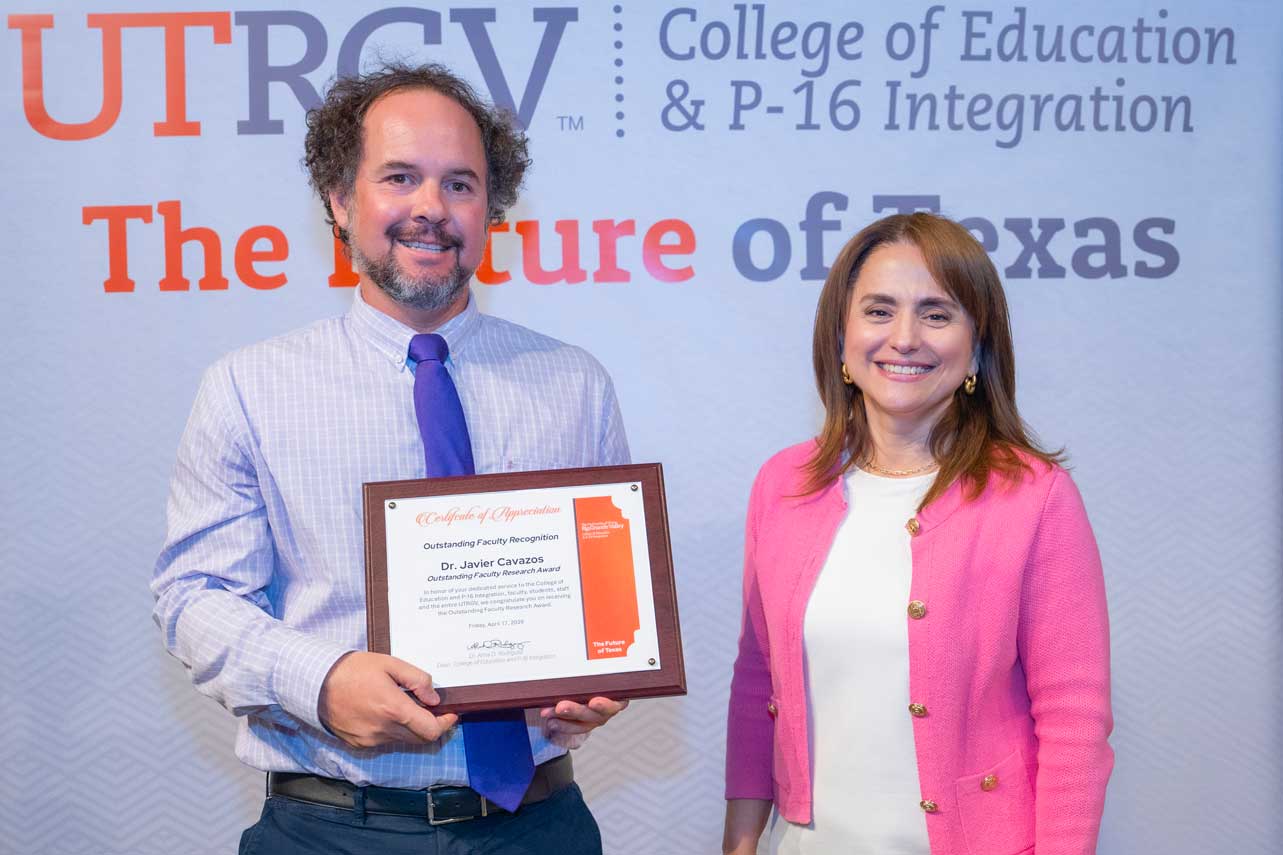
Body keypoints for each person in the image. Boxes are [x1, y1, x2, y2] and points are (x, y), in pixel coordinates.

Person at [152, 63, 628, 855]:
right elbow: (193, 596)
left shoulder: (573, 383)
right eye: (400, 177)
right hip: (328, 829)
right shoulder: (247, 387)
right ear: (340, 201)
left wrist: (600, 673)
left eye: (461, 184)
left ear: (492, 208)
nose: (430, 210)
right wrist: (322, 678)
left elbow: (611, 592)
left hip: (538, 829)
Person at [722, 213, 1113, 855]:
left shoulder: (1035, 498)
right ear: (841, 337)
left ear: (977, 347)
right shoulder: (782, 484)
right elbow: (757, 683)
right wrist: (738, 845)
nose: (903, 338)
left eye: (936, 314)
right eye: (879, 310)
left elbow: (1075, 725)